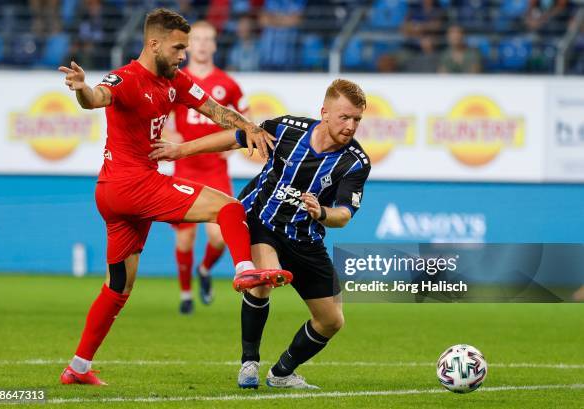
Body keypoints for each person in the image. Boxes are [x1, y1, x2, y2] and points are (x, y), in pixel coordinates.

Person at [57, 8, 288, 386]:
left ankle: (78, 367)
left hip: (115, 193)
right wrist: (82, 87)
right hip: (133, 185)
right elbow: (97, 98)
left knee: (118, 287)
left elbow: (214, 110)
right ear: (154, 43)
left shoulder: (175, 80)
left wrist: (248, 126)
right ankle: (245, 271)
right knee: (229, 208)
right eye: (178, 47)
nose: (184, 54)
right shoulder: (126, 78)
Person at [150, 78, 371, 389]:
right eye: (344, 117)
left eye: (357, 119)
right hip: (260, 220)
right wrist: (180, 150)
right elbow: (234, 139)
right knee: (265, 278)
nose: (351, 126)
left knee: (332, 321)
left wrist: (321, 213)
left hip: (305, 238)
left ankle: (282, 373)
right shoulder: (288, 129)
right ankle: (249, 363)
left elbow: (344, 215)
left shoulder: (355, 162)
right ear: (324, 112)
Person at [165, 20, 249, 314]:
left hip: (215, 170)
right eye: (196, 39)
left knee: (219, 236)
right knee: (185, 238)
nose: (201, 44)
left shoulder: (227, 83)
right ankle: (186, 295)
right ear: (188, 46)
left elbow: (245, 118)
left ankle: (204, 269)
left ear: (214, 45)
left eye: (207, 39)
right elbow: (160, 118)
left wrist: (237, 144)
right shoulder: (175, 79)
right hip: (185, 166)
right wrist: (167, 134)